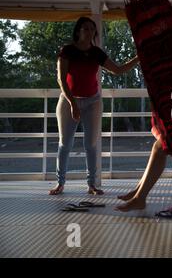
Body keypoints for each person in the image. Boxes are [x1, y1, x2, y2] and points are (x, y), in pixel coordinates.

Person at [49, 17, 139, 195]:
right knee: (65, 143)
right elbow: (61, 80)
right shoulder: (67, 51)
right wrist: (73, 104)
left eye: (92, 29)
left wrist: (138, 58)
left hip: (93, 101)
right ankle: (60, 183)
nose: (89, 32)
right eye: (85, 29)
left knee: (91, 144)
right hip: (69, 100)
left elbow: (118, 70)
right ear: (78, 31)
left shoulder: (97, 53)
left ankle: (91, 185)